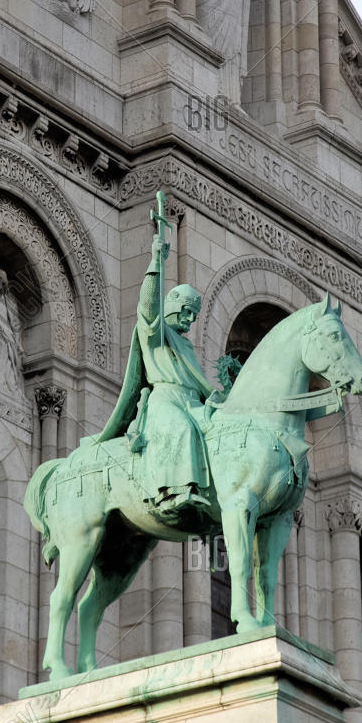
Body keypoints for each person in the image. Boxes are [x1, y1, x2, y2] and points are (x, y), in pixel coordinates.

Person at [96, 219, 214, 519]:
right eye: (186, 311)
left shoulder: (185, 345)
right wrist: (156, 262)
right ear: (172, 306)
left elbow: (201, 385)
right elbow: (148, 306)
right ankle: (172, 492)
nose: (190, 319)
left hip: (193, 402)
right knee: (181, 429)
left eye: (194, 315)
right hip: (165, 400)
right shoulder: (155, 333)